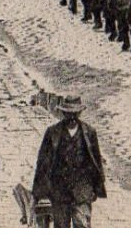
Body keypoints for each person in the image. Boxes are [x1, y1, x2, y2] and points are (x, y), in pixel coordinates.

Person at [31, 95, 107, 227]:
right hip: (59, 191)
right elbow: (42, 163)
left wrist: (96, 187)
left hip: (82, 191)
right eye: (68, 113)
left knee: (82, 227)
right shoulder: (52, 132)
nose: (71, 117)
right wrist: (39, 193)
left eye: (75, 113)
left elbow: (96, 161)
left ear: (79, 113)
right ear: (63, 113)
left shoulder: (89, 132)